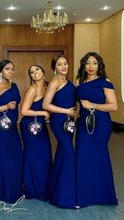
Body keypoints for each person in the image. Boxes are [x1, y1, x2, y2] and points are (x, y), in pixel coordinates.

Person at [75, 52, 118, 207]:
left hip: (100, 125)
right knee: (82, 156)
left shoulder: (105, 82)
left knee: (99, 157)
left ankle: (103, 196)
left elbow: (113, 105)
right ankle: (83, 197)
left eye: (94, 63)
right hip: (82, 124)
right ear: (83, 65)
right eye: (87, 63)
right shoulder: (79, 81)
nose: (91, 66)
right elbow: (77, 106)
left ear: (99, 65)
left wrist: (93, 105)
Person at [0, 59, 23, 203]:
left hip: (12, 127)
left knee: (16, 155)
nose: (11, 71)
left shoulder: (14, 85)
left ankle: (14, 187)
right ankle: (3, 190)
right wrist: (5, 107)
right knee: (4, 157)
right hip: (1, 127)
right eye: (8, 69)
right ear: (1, 71)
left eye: (12, 69)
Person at [43, 54, 77, 208]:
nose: (64, 66)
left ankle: (54, 191)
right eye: (60, 64)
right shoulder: (55, 82)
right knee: (69, 153)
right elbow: (46, 105)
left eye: (65, 63)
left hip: (69, 121)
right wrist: (66, 111)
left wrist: (74, 113)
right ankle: (65, 198)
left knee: (63, 154)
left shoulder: (69, 82)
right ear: (54, 68)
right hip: (59, 121)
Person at [20, 64, 52, 201]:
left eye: (37, 69)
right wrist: (43, 112)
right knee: (33, 156)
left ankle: (44, 186)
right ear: (31, 77)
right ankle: (32, 188)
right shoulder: (32, 89)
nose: (34, 73)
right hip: (30, 126)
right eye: (31, 72)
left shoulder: (47, 87)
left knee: (44, 155)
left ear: (44, 73)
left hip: (40, 125)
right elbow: (23, 111)